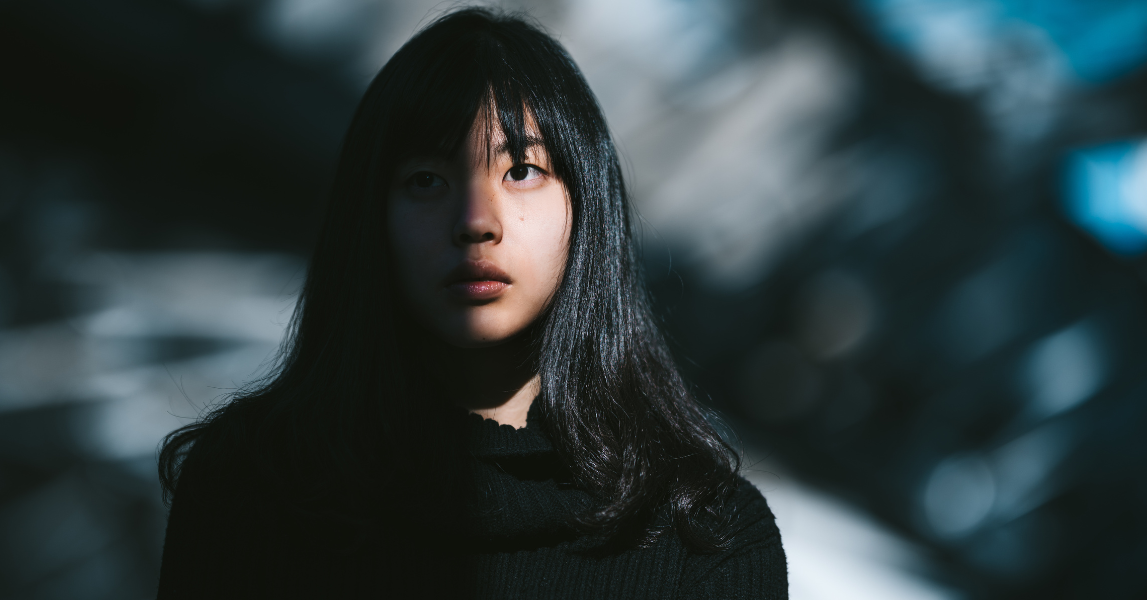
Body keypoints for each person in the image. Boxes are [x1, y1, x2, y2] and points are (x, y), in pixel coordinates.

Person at [155, 7, 786, 599]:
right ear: (368, 218)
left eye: (521, 172)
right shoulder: (251, 484)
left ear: (587, 207)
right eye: (427, 180)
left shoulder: (708, 539)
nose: (476, 221)